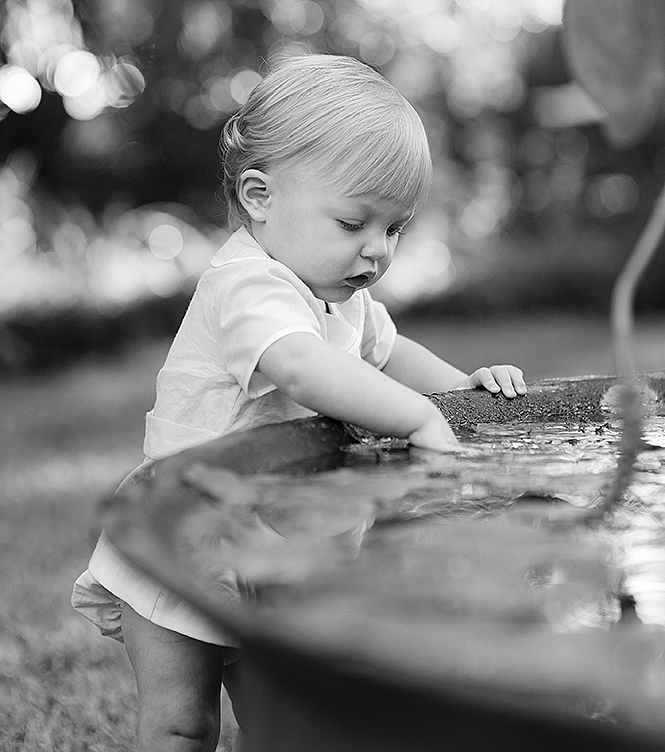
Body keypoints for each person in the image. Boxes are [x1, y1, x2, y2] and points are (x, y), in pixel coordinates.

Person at [72, 53, 526, 751]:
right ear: (260, 197)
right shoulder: (246, 284)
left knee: (285, 726)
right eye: (353, 223)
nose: (376, 251)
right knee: (181, 722)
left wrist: (458, 390)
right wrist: (416, 417)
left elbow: (388, 354)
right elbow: (301, 366)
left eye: (394, 228)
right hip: (191, 537)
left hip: (278, 548)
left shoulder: (340, 295)